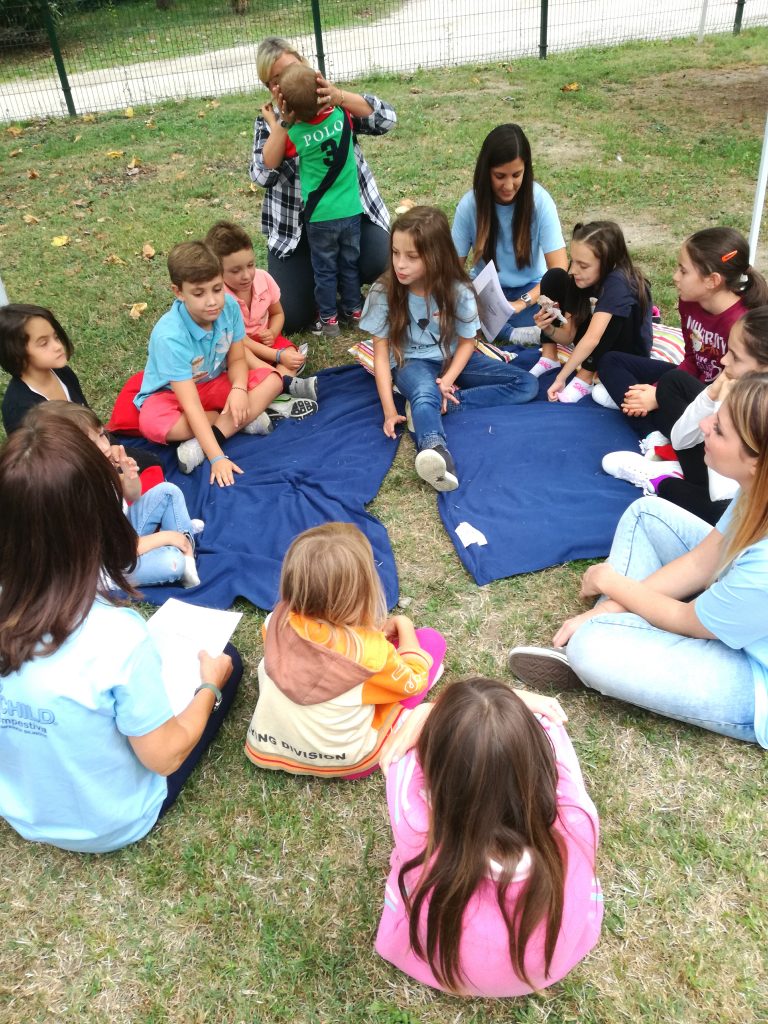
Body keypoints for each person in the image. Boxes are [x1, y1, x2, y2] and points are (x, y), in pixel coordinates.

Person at [0, 416, 241, 853]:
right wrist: (209, 685)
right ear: (101, 518)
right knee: (228, 660)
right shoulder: (116, 636)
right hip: (112, 823)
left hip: (20, 808)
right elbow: (163, 755)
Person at [508, 372, 768, 748]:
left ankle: (593, 654)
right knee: (647, 513)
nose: (704, 425)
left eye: (721, 430)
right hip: (735, 615)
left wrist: (611, 583)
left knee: (592, 648)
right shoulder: (757, 490)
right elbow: (702, 563)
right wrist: (609, 607)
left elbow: (689, 620)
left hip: (754, 678)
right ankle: (607, 638)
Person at [373, 679, 602, 996]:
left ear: (438, 772)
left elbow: (399, 755)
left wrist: (426, 710)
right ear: (538, 761)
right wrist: (517, 700)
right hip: (551, 961)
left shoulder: (417, 825)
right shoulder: (578, 819)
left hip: (444, 964)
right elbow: (550, 725)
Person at [245, 522, 446, 779]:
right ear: (365, 590)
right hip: (348, 761)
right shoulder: (371, 654)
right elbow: (414, 682)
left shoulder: (275, 621)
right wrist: (404, 626)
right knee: (430, 641)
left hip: (269, 746)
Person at [361, 206, 538, 493]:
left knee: (526, 383)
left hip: (455, 360)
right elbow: (381, 356)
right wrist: (389, 410)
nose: (400, 264)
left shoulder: (458, 290)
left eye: (411, 256)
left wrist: (448, 380)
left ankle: (429, 408)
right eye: (395, 253)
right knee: (423, 389)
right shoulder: (384, 292)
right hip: (411, 363)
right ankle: (435, 449)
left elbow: (468, 342)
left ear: (436, 256)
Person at [134, 241, 316, 487]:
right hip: (171, 395)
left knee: (272, 379)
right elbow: (191, 404)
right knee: (152, 424)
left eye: (217, 289)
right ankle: (241, 421)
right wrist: (217, 458)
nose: (212, 301)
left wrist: (239, 389)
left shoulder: (229, 306)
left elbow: (238, 358)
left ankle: (216, 433)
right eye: (199, 293)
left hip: (216, 382)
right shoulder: (169, 337)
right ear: (178, 292)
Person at [250, 36, 396, 334]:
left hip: (350, 215)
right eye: (278, 79)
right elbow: (263, 174)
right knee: (290, 315)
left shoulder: (336, 105)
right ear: (270, 88)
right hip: (297, 233)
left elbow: (386, 119)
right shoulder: (272, 122)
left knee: (385, 261)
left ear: (307, 67)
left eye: (294, 69)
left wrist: (339, 95)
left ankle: (338, 286)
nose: (290, 80)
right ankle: (329, 286)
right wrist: (283, 125)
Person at [602, 307, 768, 518]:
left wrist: (718, 408)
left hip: (730, 494)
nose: (724, 361)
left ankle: (661, 481)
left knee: (722, 512)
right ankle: (665, 452)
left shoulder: (757, 415)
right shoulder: (742, 389)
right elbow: (681, 440)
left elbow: (721, 494)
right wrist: (710, 396)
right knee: (672, 382)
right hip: (720, 467)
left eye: (735, 357)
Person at [596, 227, 768, 429]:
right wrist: (657, 390)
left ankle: (645, 423)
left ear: (712, 280)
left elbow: (733, 388)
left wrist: (658, 396)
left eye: (683, 271)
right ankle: (637, 404)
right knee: (611, 360)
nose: (675, 277)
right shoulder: (689, 303)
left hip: (720, 399)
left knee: (673, 390)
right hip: (691, 381)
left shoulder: (741, 322)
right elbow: (692, 359)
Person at [26, 402, 202, 589]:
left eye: (102, 435)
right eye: (90, 443)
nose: (104, 446)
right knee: (172, 561)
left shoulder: (97, 467)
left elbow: (132, 495)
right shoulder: (78, 495)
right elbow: (119, 552)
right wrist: (168, 538)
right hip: (107, 565)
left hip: (124, 535)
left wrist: (130, 476)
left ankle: (185, 547)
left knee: (168, 491)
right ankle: (183, 549)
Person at [0, 302, 160, 475]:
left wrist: (111, 446)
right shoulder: (19, 408)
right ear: (16, 355)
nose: (57, 346)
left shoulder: (62, 373)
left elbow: (90, 421)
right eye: (43, 343)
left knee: (155, 465)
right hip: (72, 475)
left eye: (55, 337)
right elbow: (41, 468)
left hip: (99, 449)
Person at [271, 62, 363, 336]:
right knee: (350, 263)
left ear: (288, 106)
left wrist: (280, 120)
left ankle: (329, 320)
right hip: (350, 211)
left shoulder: (294, 135)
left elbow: (272, 156)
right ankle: (354, 310)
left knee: (324, 269)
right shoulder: (342, 116)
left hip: (320, 217)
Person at [451, 123, 568, 340]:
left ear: (527, 169)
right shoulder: (470, 205)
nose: (508, 185)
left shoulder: (540, 201)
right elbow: (450, 269)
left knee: (562, 307)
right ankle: (514, 334)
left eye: (516, 175)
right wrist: (466, 296)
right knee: (451, 307)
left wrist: (522, 302)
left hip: (534, 292)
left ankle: (504, 331)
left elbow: (559, 270)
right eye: (499, 176)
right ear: (486, 172)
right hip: (487, 293)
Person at [533, 221, 652, 403]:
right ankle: (550, 359)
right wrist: (548, 328)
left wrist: (561, 377)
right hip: (594, 345)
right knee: (555, 276)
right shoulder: (582, 279)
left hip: (624, 353)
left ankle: (585, 377)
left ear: (608, 263)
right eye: (573, 261)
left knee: (609, 318)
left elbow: (592, 338)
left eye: (583, 265)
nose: (573, 270)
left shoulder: (619, 282)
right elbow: (568, 336)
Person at [204, 220, 317, 404]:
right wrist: (278, 357)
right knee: (254, 361)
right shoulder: (220, 297)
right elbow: (240, 341)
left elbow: (277, 313)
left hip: (266, 343)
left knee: (291, 352)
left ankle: (273, 391)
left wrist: (272, 332)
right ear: (217, 270)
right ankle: (278, 384)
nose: (246, 275)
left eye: (250, 265)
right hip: (240, 349)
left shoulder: (263, 278)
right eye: (235, 270)